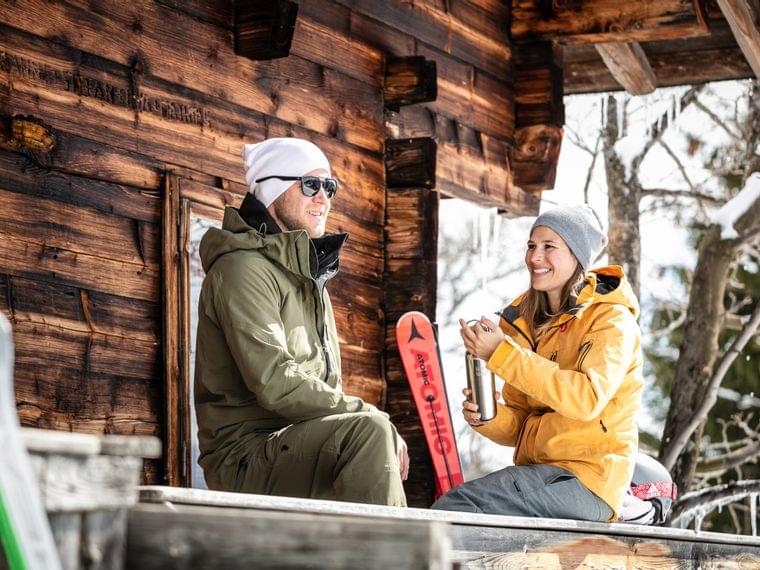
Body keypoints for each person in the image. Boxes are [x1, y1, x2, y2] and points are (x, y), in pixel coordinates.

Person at [194, 137, 408, 506]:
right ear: (272, 193)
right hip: (246, 455)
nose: (323, 198)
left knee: (375, 435)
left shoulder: (308, 280)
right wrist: (369, 415)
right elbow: (275, 380)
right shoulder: (243, 269)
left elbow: (324, 389)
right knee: (370, 432)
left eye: (330, 187)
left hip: (296, 444)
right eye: (310, 185)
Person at [433, 205, 643, 522]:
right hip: (542, 475)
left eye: (549, 247)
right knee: (457, 511)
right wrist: (488, 417)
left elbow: (586, 399)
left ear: (577, 256)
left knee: (458, 509)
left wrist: (502, 354)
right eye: (532, 246)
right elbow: (521, 424)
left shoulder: (610, 320)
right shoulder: (528, 325)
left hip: (588, 479)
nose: (535, 257)